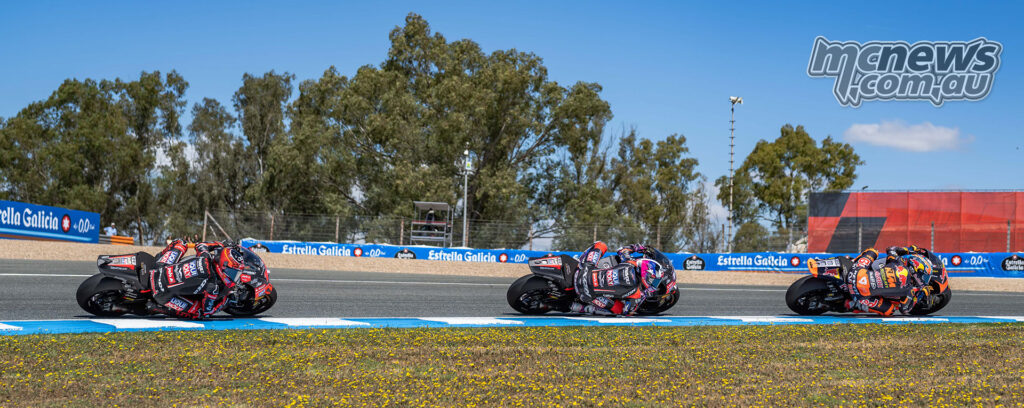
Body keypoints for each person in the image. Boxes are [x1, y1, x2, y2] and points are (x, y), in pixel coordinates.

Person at [144, 238, 270, 319]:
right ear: (223, 267)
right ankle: (160, 309)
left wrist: (221, 244)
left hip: (159, 267)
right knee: (198, 313)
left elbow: (200, 245)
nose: (235, 277)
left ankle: (158, 257)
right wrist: (225, 302)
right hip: (161, 293)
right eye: (233, 273)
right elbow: (208, 311)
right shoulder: (213, 287)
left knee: (180, 243)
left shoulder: (206, 257)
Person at [568, 241, 664, 316]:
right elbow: (627, 311)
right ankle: (583, 308)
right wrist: (643, 296)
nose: (654, 283)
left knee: (601, 244)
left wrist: (636, 247)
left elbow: (621, 250)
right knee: (619, 310)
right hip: (585, 293)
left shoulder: (630, 263)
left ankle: (578, 261)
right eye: (654, 281)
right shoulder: (636, 293)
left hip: (582, 271)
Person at [843, 245, 937, 316]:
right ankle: (853, 305)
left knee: (873, 251)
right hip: (859, 294)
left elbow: (891, 249)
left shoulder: (897, 262)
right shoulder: (909, 289)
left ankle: (851, 262)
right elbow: (904, 309)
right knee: (890, 310)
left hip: (854, 272)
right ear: (915, 270)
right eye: (923, 276)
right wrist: (919, 294)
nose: (923, 279)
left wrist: (907, 250)